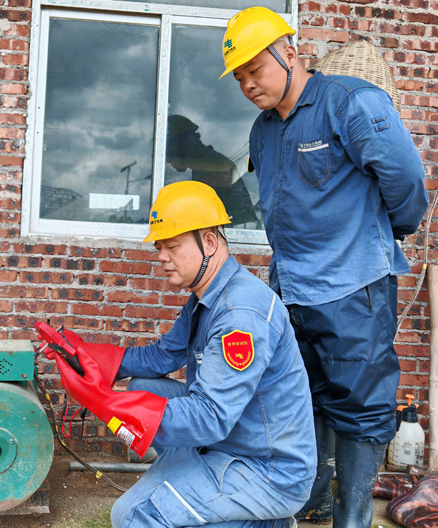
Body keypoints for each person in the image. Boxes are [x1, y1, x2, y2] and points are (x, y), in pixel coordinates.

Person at [219, 7, 429, 528]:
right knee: (302, 396)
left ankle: (351, 516)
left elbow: (406, 184)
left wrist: (380, 235)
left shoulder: (351, 104)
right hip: (291, 289)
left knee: (359, 404)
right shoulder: (263, 131)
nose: (248, 84)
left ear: (289, 54)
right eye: (239, 76)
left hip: (352, 287)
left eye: (255, 69)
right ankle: (308, 500)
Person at [38, 181, 316, 528]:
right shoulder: (207, 295)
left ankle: (262, 520)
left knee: (132, 516)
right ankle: (199, 494)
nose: (161, 257)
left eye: (172, 246)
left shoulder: (239, 316)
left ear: (209, 242)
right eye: (159, 247)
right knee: (143, 386)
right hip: (235, 436)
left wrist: (111, 404)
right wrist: (89, 357)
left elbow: (210, 417)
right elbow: (162, 358)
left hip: (267, 468)